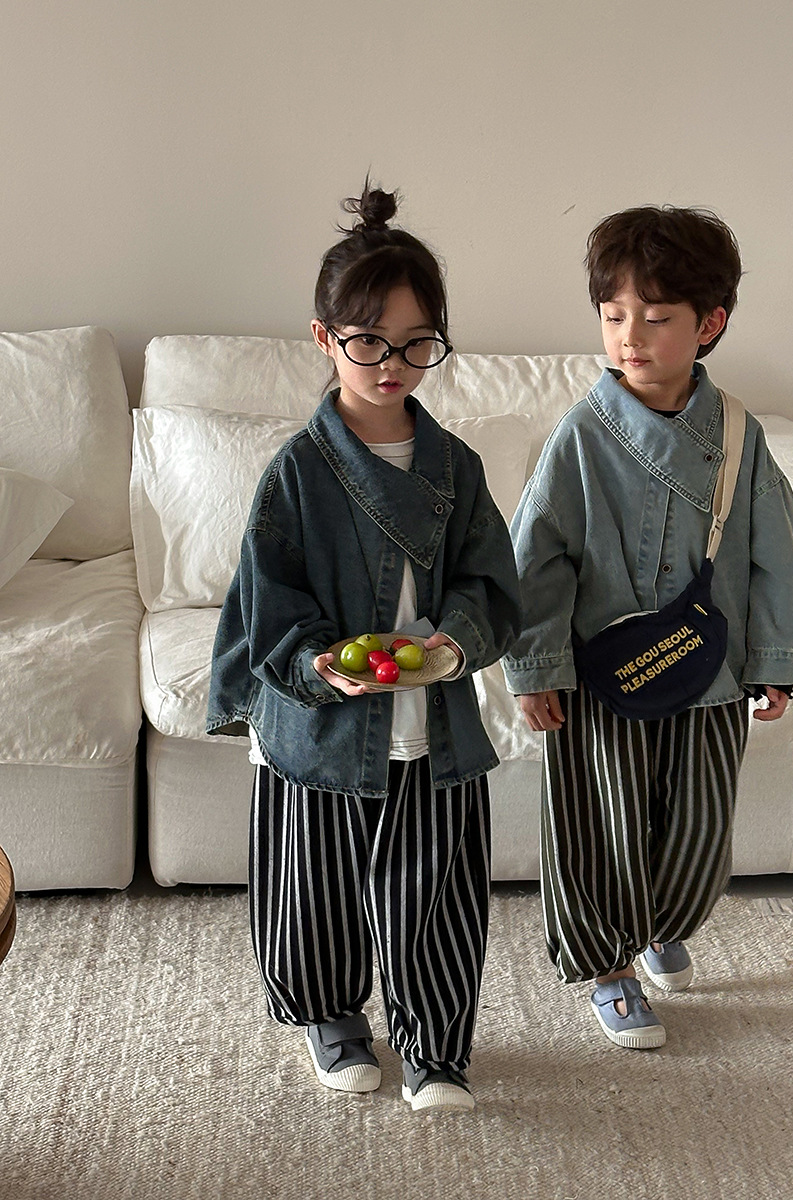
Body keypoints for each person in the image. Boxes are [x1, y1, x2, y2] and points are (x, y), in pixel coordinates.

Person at [207, 181, 521, 1110]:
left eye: (419, 344)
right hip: (323, 723)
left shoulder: (457, 466)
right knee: (316, 888)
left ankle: (435, 1048)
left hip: (433, 719)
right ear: (324, 338)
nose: (394, 365)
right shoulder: (296, 473)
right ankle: (333, 1018)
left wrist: (455, 644)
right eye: (370, 342)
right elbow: (267, 607)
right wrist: (318, 666)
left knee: (438, 893)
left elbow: (492, 585)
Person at [502, 205, 793, 1050]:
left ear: (709, 324)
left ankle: (660, 922)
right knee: (599, 825)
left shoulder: (739, 434)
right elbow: (535, 563)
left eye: (656, 317)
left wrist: (777, 660)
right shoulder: (580, 435)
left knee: (699, 831)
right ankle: (608, 966)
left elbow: (781, 554)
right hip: (600, 680)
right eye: (613, 316)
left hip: (708, 673)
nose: (629, 337)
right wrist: (536, 669)